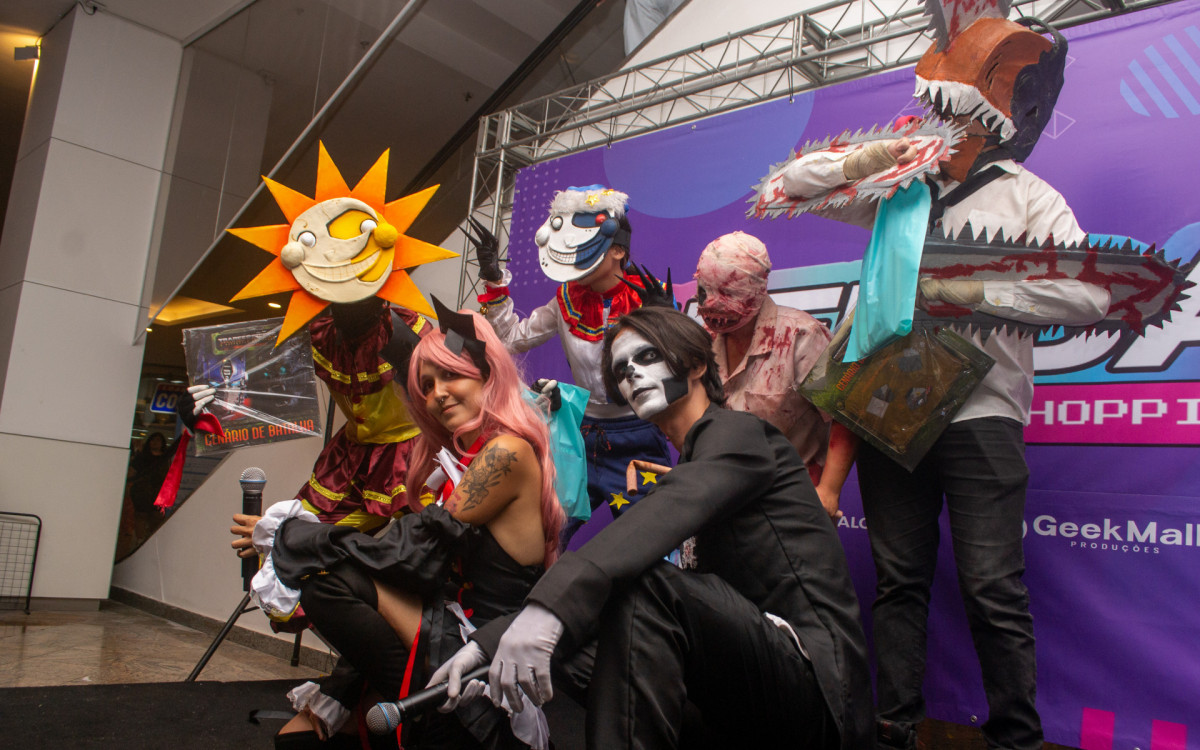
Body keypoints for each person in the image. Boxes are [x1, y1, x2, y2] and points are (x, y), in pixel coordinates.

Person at [768, 13, 1110, 749]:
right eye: (937, 106)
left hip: (983, 413)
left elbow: (1089, 295)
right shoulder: (899, 190)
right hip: (891, 411)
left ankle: (1016, 738)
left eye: (957, 108)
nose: (943, 120)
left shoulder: (1030, 197)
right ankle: (895, 728)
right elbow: (788, 185)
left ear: (998, 115)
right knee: (899, 582)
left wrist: (977, 292)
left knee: (993, 587)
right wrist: (879, 155)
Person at [433, 306, 874, 750]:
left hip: (819, 694)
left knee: (642, 585)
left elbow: (655, 525)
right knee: (574, 639)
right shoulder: (693, 464)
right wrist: (491, 644)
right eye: (620, 370)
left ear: (697, 365)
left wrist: (546, 611)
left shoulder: (741, 434)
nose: (631, 375)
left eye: (647, 357)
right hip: (740, 697)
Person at [236, 310, 564, 750]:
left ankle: (427, 715)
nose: (438, 394)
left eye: (451, 375)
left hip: (482, 646)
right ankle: (391, 707)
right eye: (426, 386)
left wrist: (290, 535)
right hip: (444, 624)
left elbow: (405, 551)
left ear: (487, 375)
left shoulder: (506, 452)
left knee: (331, 584)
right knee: (299, 737)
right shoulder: (461, 461)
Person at [472, 186, 673, 524]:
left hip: (639, 433)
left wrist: (670, 326)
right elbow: (510, 338)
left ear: (618, 250)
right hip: (580, 436)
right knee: (551, 530)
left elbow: (685, 370)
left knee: (650, 535)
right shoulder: (567, 299)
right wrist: (494, 280)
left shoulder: (650, 297)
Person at [693, 230, 859, 518]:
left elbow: (845, 415)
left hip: (791, 499)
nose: (711, 305)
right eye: (704, 292)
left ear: (756, 290)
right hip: (721, 497)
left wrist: (829, 490)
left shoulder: (801, 336)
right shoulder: (704, 341)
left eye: (728, 294)